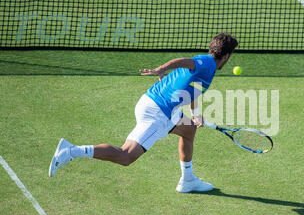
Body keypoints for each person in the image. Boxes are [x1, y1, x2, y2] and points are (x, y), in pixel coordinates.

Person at [49, 33, 238, 193]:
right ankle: (71, 151)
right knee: (126, 156)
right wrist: (161, 69)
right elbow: (186, 61)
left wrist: (196, 114)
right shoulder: (207, 63)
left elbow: (194, 89)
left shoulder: (207, 69)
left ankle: (187, 180)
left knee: (188, 129)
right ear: (227, 56)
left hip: (152, 102)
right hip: (158, 113)